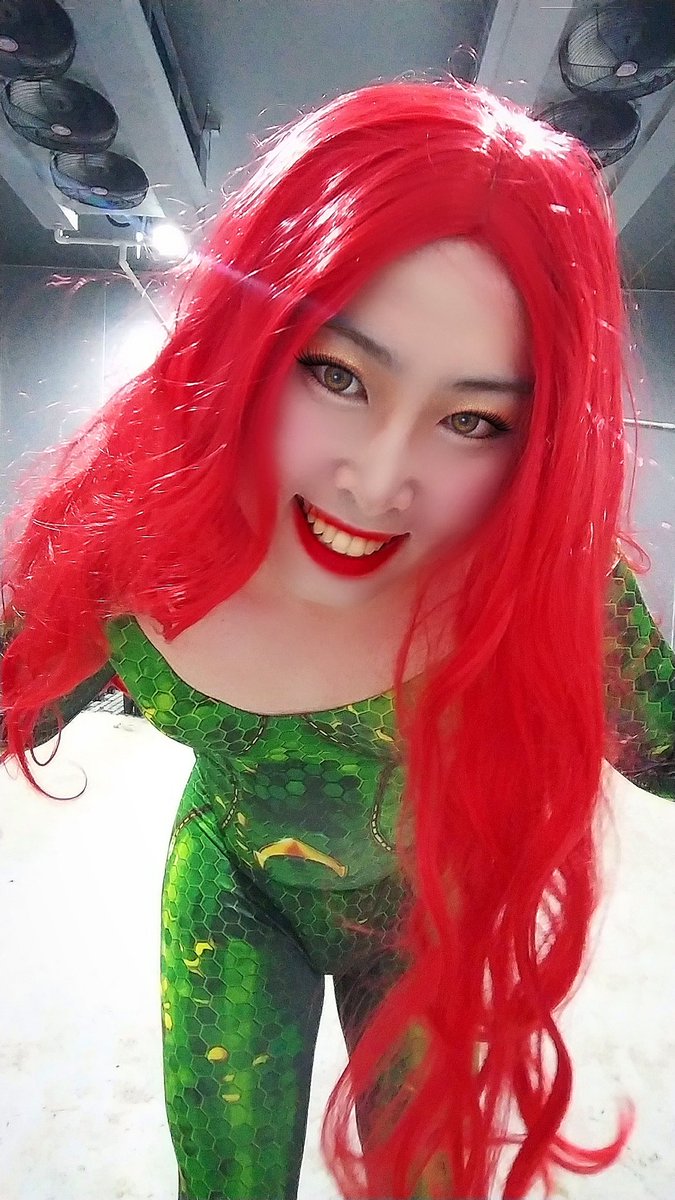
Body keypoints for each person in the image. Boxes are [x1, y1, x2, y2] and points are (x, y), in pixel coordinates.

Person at [1, 79, 674, 1200]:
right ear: (247, 340)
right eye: (335, 373)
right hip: (232, 891)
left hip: (422, 908)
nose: (375, 479)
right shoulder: (132, 532)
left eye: (472, 419)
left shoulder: (543, 574)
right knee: (227, 1181)